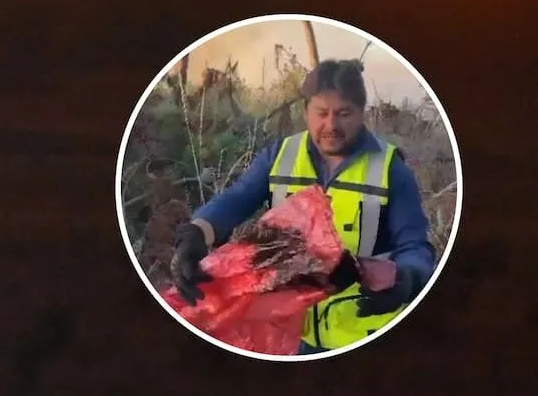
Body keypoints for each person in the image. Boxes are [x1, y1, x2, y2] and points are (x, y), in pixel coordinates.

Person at [171, 58, 437, 355]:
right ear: (305, 111)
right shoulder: (280, 155)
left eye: (344, 113)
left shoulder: (391, 169)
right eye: (321, 113)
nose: (331, 125)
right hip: (288, 331)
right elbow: (236, 199)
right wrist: (197, 232)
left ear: (362, 113)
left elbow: (414, 245)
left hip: (360, 329)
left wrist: (407, 279)